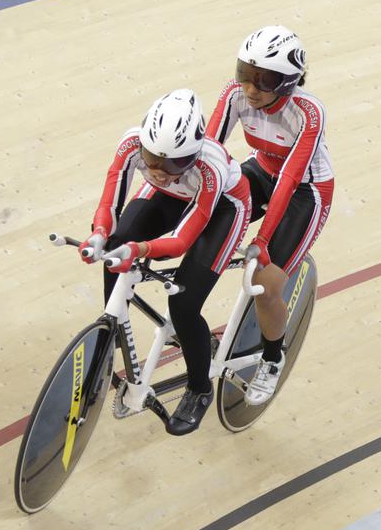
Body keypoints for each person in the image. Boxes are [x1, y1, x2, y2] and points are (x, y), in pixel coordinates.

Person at [81, 88, 251, 435]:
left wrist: (140, 251)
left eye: (172, 163)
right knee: (114, 245)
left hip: (222, 209)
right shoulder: (131, 144)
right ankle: (110, 336)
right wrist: (99, 234)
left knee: (183, 304)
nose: (158, 170)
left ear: (191, 154)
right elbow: (110, 204)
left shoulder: (210, 165)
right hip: (171, 196)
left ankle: (200, 388)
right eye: (152, 159)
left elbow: (181, 241)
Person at [205, 26, 334, 406]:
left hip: (304, 191)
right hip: (261, 170)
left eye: (263, 80)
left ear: (289, 82)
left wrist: (261, 241)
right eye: (245, 73)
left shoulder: (307, 113)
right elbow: (211, 151)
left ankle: (272, 357)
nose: (249, 88)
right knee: (205, 230)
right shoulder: (235, 95)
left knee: (266, 281)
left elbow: (290, 180)